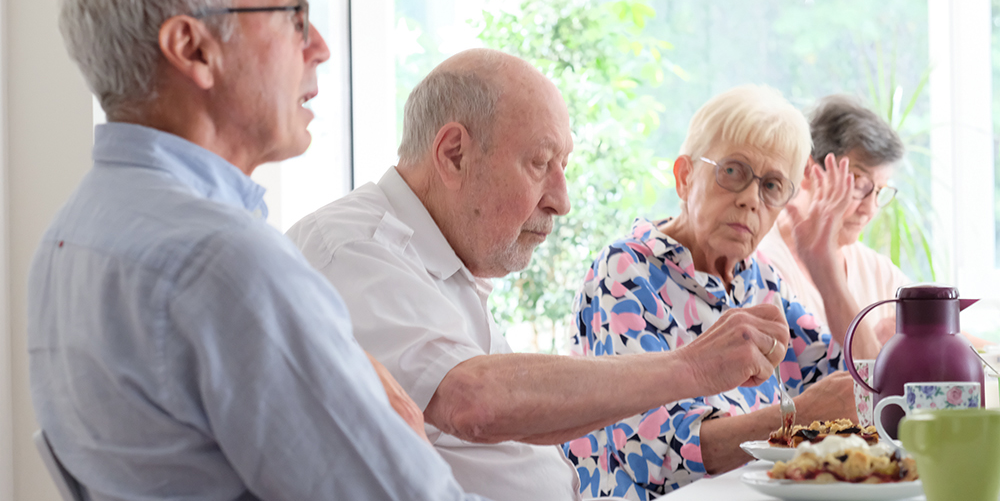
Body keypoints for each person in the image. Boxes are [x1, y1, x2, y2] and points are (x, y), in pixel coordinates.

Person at [28, 0, 488, 499]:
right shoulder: (225, 262)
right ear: (194, 49)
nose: (319, 45)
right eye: (294, 16)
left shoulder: (69, 235)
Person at [286, 49, 793, 501]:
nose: (562, 201)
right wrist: (693, 369)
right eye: (540, 163)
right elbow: (473, 403)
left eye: (564, 167)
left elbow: (522, 422)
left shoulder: (444, 262)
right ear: (453, 155)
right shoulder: (355, 246)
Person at [563, 85, 867, 499]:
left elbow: (859, 385)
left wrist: (825, 268)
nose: (749, 200)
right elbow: (653, 453)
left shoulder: (759, 280)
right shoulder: (626, 271)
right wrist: (798, 421)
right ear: (685, 177)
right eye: (733, 172)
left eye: (772, 186)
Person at [755, 94, 907, 349]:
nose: (869, 209)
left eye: (880, 191)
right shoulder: (764, 265)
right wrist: (874, 350)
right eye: (858, 184)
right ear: (807, 171)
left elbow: (956, 339)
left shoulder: (877, 270)